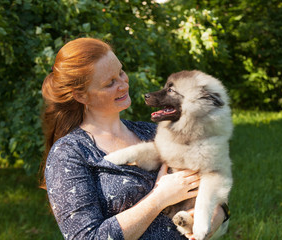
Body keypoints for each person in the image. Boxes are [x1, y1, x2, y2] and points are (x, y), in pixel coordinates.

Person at [41, 37, 226, 240]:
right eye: (109, 83)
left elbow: (213, 182)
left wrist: (210, 220)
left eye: (121, 72)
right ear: (81, 96)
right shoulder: (69, 153)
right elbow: (86, 238)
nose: (123, 84)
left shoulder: (152, 132)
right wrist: (159, 198)